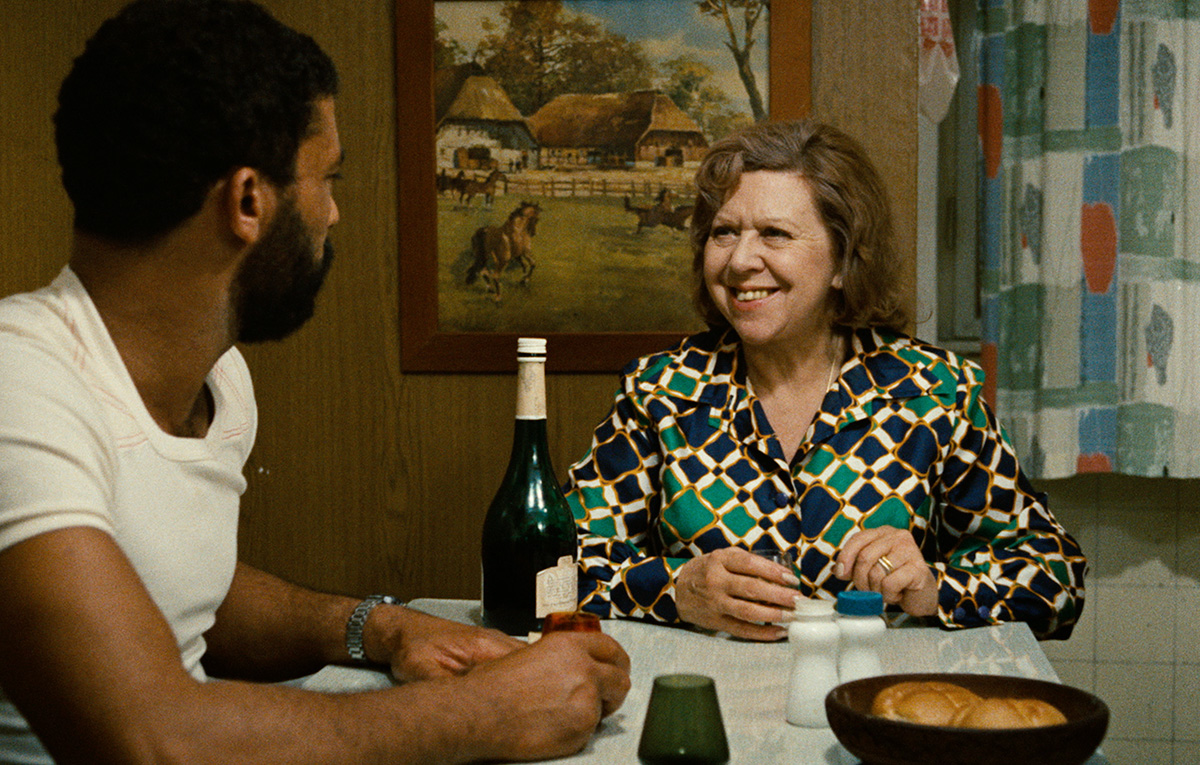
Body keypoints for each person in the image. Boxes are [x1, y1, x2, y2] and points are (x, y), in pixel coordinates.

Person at [0, 1, 629, 763]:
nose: (333, 213)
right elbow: (153, 738)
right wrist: (487, 710)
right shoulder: (18, 382)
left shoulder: (221, 379)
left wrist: (385, 628)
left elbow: (186, 592)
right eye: (327, 178)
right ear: (248, 200)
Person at [564, 119, 1086, 643]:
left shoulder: (933, 393)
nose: (739, 261)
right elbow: (556, 566)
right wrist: (675, 588)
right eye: (724, 233)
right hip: (711, 691)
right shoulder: (662, 392)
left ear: (843, 260)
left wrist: (936, 587)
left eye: (775, 234)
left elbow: (1056, 579)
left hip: (876, 689)